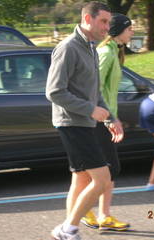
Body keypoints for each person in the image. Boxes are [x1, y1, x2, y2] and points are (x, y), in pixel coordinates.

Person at [46, 2, 121, 240]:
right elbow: (54, 91)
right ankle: (67, 229)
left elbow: (95, 91)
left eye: (108, 22)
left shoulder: (90, 48)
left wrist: (110, 117)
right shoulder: (68, 47)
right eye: (103, 21)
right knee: (102, 179)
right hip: (71, 123)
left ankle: (69, 231)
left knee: (80, 179)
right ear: (88, 19)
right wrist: (90, 110)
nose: (107, 27)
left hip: (85, 122)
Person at [80, 13, 134, 231]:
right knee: (107, 170)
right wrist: (109, 118)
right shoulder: (105, 52)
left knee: (93, 172)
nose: (132, 32)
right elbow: (94, 88)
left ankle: (98, 214)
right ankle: (94, 213)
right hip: (98, 121)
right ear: (118, 30)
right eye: (129, 28)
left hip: (104, 118)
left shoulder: (113, 51)